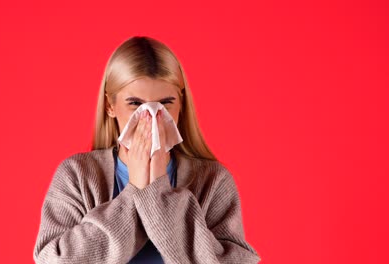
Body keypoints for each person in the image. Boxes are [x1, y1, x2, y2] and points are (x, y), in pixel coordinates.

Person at [33, 36, 261, 264]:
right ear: (111, 106)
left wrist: (158, 191)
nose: (151, 116)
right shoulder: (77, 175)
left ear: (181, 105)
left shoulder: (213, 181)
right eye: (135, 103)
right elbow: (53, 260)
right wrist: (136, 189)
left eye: (165, 103)